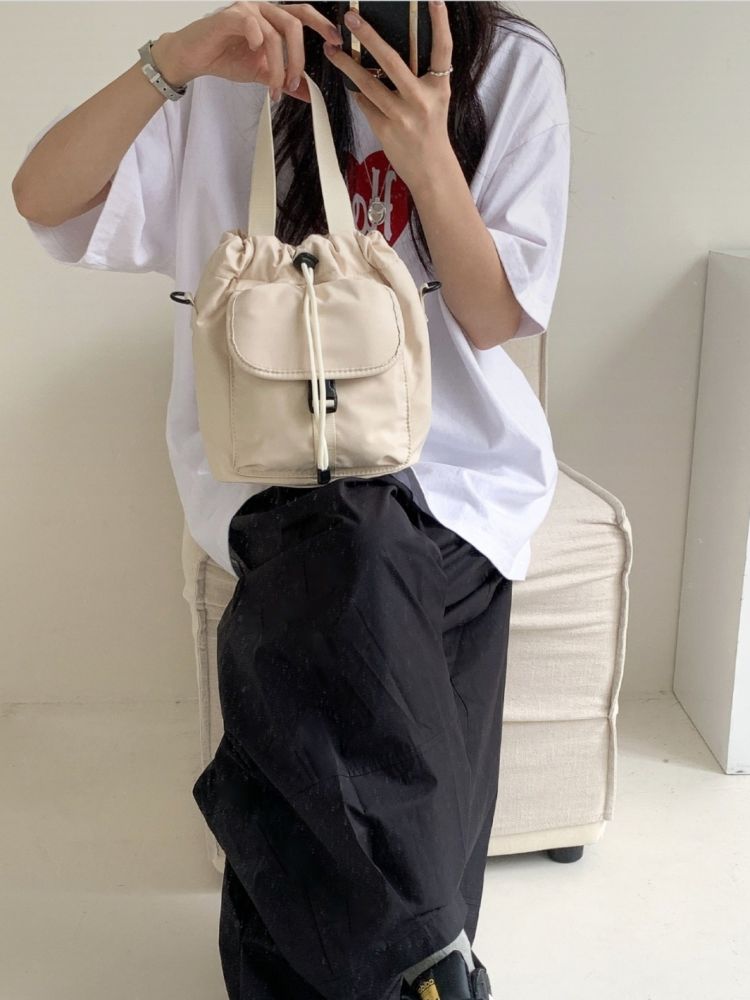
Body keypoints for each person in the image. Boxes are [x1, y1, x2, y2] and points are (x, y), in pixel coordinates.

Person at [12, 3, 570, 1000]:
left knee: (346, 593)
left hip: (461, 481)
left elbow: (493, 319)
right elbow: (42, 196)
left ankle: (390, 965)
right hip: (271, 474)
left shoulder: (509, 67)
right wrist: (174, 60)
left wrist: (427, 156)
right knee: (349, 543)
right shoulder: (233, 69)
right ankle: (432, 967)